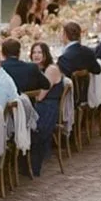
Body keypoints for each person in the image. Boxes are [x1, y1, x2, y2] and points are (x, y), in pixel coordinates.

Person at [28, 41, 66, 176]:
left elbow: (40, 96)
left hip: (48, 108)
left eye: (39, 52)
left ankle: (32, 166)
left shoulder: (51, 69)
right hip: (40, 106)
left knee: (29, 126)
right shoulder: (35, 70)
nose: (36, 55)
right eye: (34, 52)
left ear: (45, 54)